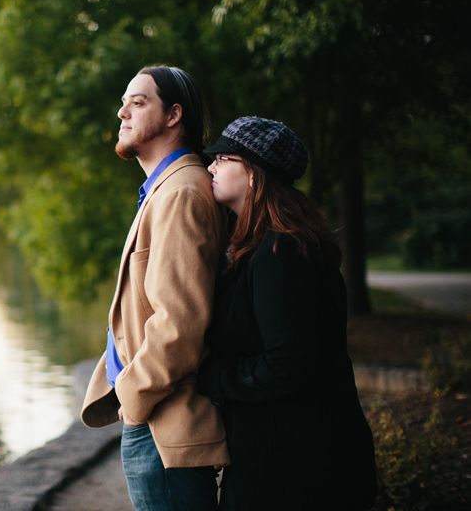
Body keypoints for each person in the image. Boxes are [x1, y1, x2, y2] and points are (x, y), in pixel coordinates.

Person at [196, 116, 378, 510]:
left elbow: (287, 364)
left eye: (223, 158)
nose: (210, 166)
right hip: (282, 454)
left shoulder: (282, 252)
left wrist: (209, 376)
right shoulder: (257, 245)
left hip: (299, 467)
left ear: (253, 175)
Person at [81, 65, 229, 511]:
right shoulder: (165, 189)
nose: (122, 111)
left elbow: (179, 324)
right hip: (155, 418)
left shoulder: (181, 192)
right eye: (125, 101)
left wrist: (133, 395)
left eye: (138, 101)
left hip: (164, 426)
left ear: (173, 115)